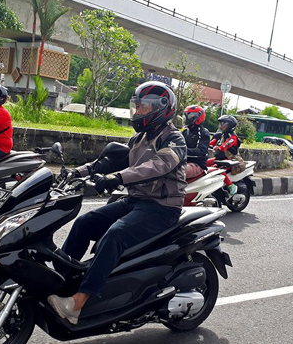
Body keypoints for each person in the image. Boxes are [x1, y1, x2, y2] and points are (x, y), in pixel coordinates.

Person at [47, 81, 187, 325]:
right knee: (85, 222)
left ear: (161, 109)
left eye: (144, 107)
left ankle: (78, 303)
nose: (138, 112)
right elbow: (109, 163)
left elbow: (157, 166)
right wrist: (76, 173)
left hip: (162, 208)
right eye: (138, 106)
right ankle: (62, 281)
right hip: (136, 201)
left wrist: (117, 178)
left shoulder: (174, 139)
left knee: (116, 234)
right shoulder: (139, 139)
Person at [208, 115, 240, 195]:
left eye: (223, 124)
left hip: (230, 159)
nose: (221, 126)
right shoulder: (221, 135)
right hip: (220, 158)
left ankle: (231, 186)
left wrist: (219, 148)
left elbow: (226, 145)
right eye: (221, 124)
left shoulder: (233, 137)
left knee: (216, 169)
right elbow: (211, 143)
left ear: (230, 126)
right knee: (204, 164)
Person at [182, 105, 210, 180]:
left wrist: (182, 150)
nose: (187, 118)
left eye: (189, 116)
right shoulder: (185, 131)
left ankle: (178, 191)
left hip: (197, 164)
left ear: (198, 118)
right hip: (183, 161)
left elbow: (201, 151)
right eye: (186, 115)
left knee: (178, 172)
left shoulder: (203, 132)